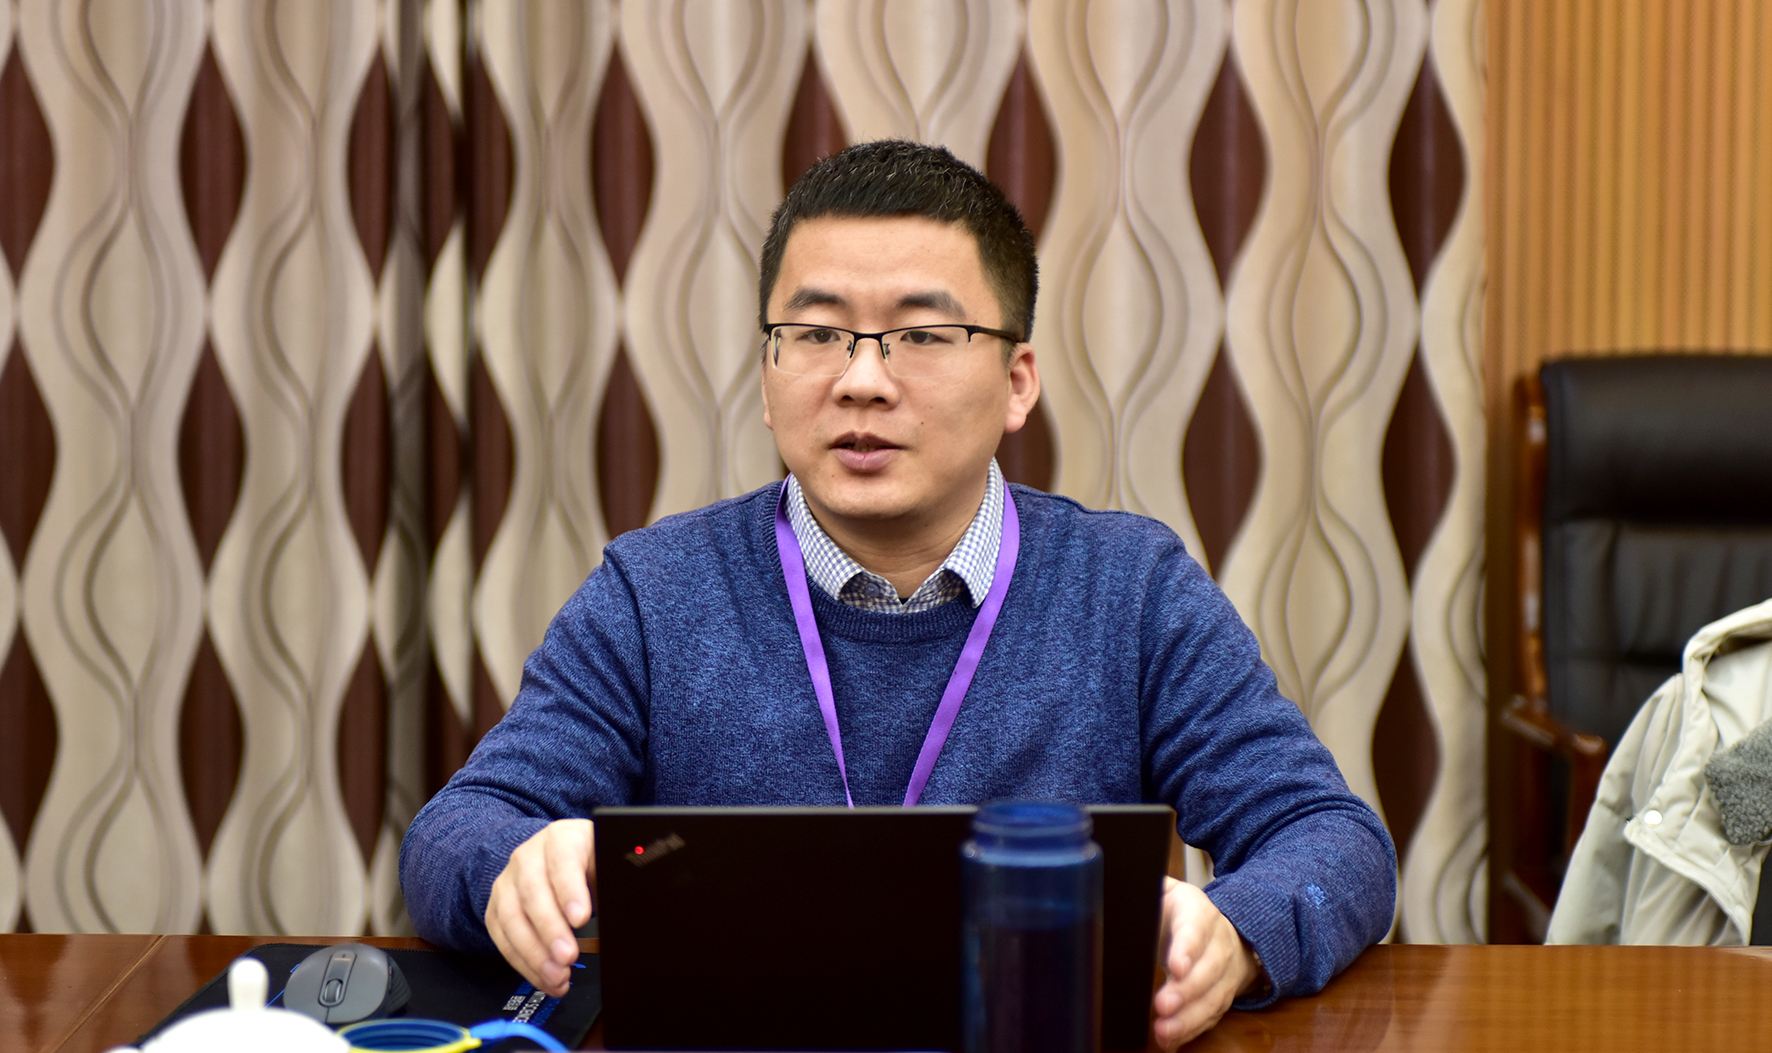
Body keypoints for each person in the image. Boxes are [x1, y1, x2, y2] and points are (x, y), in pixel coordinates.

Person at [400, 139, 1395, 1049]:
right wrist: (514, 868)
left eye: (921, 335)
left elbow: (1332, 838)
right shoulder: (653, 594)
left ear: (1017, 381)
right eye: (817, 332)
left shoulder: (1128, 590)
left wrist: (1236, 935)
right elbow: (457, 829)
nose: (862, 381)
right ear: (766, 373)